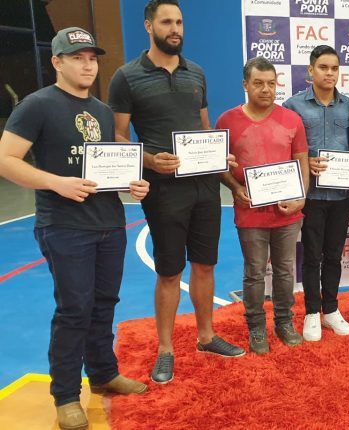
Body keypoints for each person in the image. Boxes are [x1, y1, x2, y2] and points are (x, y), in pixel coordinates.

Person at [0, 27, 149, 430]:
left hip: (109, 223)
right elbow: (6, 160)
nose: (87, 65)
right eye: (77, 58)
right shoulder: (37, 105)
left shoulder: (102, 111)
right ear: (57, 62)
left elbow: (106, 166)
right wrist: (56, 183)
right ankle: (65, 395)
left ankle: (103, 373)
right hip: (65, 226)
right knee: (74, 310)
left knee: (105, 304)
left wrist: (131, 184)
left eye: (92, 58)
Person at [109, 0, 245, 385]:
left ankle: (206, 337)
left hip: (204, 185)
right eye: (167, 22)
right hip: (163, 190)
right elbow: (118, 136)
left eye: (180, 22)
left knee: (205, 264)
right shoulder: (126, 77)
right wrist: (150, 162)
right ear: (148, 25)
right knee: (170, 271)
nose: (175, 29)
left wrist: (218, 153)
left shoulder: (196, 72)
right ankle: (166, 350)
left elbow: (203, 127)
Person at [217, 57, 310, 354]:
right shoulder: (227, 121)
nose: (266, 89)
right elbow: (218, 166)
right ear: (245, 85)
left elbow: (302, 162)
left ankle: (284, 322)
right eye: (258, 83)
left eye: (271, 83)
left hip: (287, 212)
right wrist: (235, 188)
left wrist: (301, 197)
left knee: (284, 271)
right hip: (250, 213)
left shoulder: (292, 120)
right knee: (255, 272)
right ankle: (256, 326)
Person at [282, 45, 349, 342]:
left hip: (341, 195)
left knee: (334, 256)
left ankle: (331, 310)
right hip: (310, 195)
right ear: (310, 70)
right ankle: (312, 311)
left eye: (334, 68)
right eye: (323, 67)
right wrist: (304, 162)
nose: (329, 73)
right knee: (312, 255)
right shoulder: (292, 106)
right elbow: (284, 149)